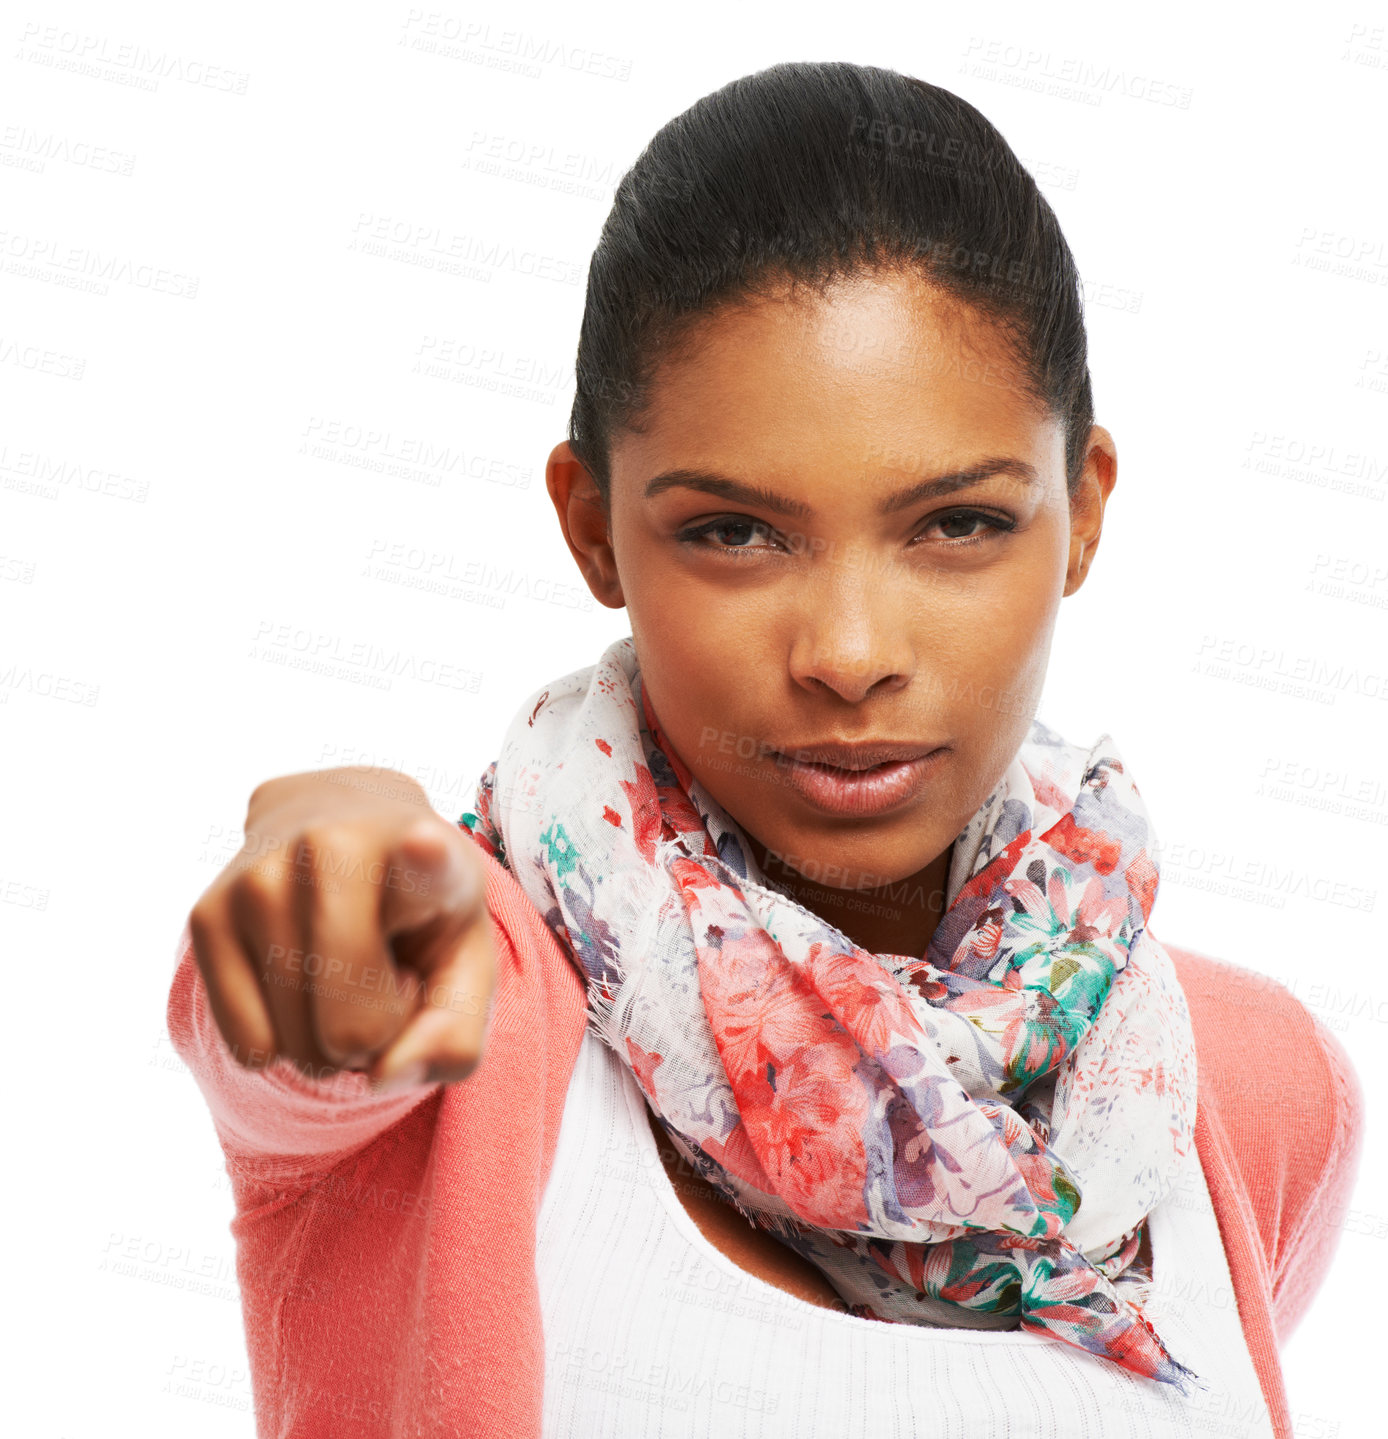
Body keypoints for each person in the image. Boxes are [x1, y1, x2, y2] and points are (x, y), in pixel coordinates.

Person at [167, 61, 1364, 1438]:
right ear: (595, 528)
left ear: (1082, 511)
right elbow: (296, 1009)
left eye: (958, 524)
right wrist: (323, 863)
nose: (848, 650)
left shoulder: (1252, 1086)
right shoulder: (458, 998)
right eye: (734, 532)